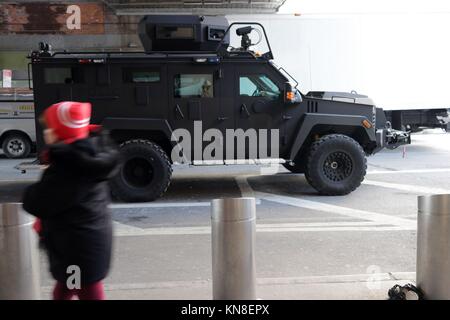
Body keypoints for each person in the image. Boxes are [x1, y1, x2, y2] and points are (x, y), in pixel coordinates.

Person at [22, 101, 120, 300]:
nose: (46, 132)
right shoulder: (89, 153)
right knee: (69, 289)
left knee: (82, 291)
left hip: (76, 250)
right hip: (83, 244)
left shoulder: (69, 166)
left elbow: (39, 202)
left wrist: (32, 189)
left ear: (60, 132)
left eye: (49, 127)